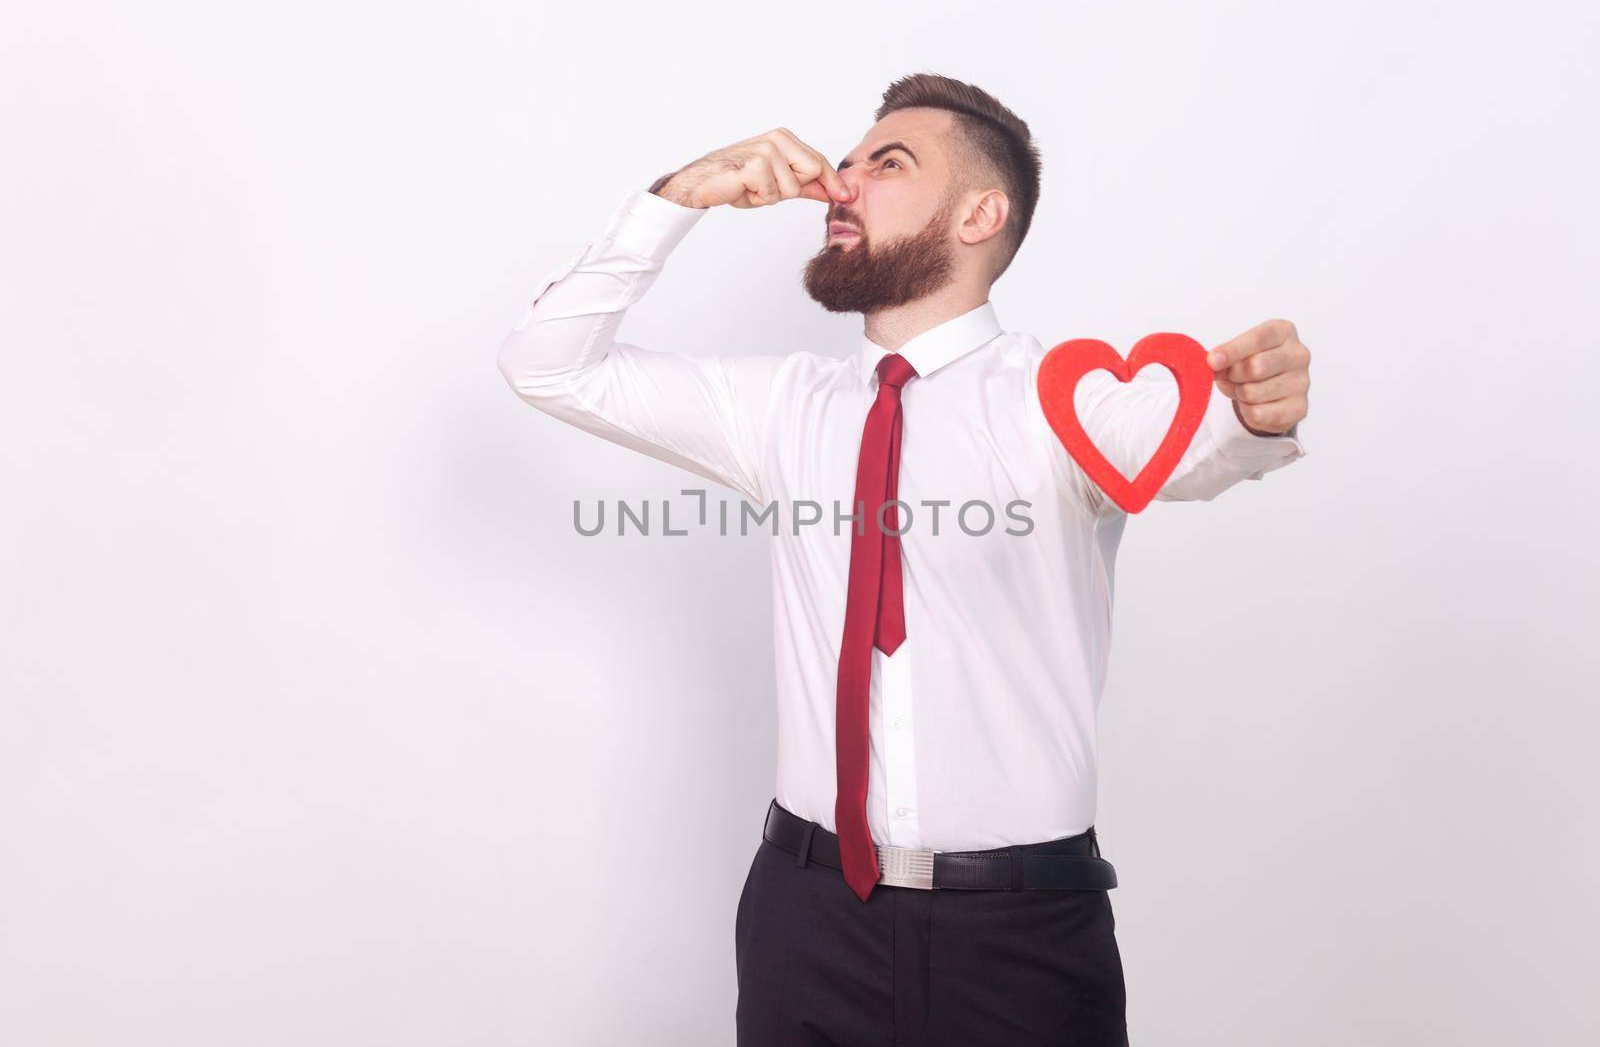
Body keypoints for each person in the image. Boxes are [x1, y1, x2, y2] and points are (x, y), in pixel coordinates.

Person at [496, 72, 1311, 1046]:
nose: (842, 184)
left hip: (1020, 933)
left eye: (887, 164)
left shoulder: (1060, 401)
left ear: (980, 213)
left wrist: (1256, 405)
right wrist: (680, 195)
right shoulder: (780, 409)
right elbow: (548, 362)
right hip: (806, 917)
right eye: (844, 164)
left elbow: (1188, 434)